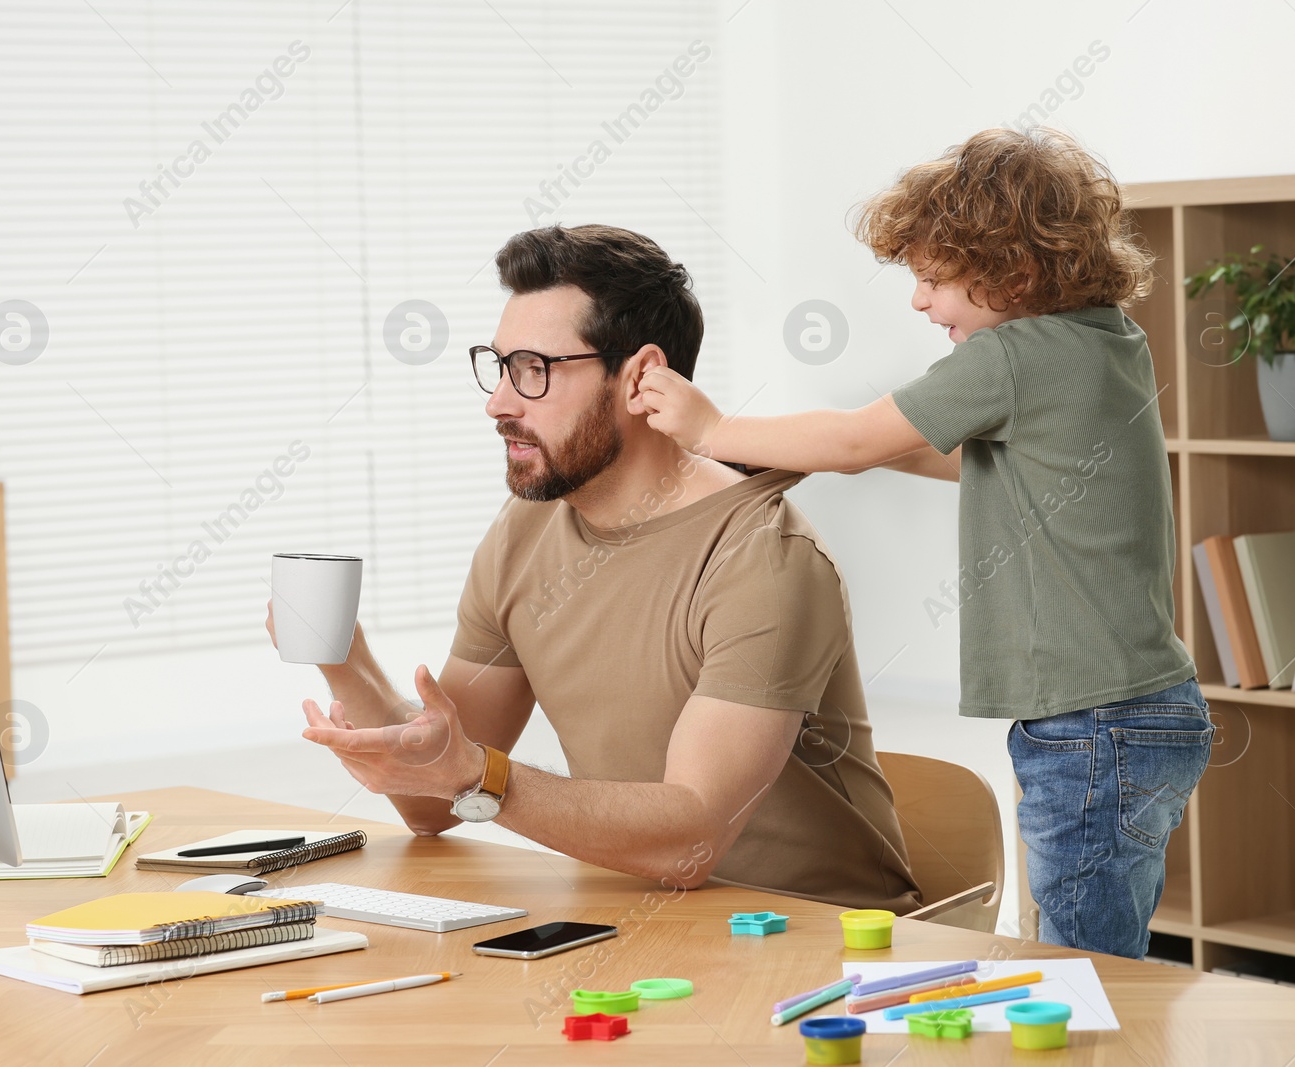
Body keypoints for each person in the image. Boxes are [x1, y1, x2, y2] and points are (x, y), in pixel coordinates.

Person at [638, 128, 1211, 959]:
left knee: (1081, 964)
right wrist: (814, 457)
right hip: (1148, 709)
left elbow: (857, 435)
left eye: (933, 278)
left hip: (1087, 725)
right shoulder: (1104, 338)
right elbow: (975, 464)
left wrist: (715, 425)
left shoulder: (1010, 356)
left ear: (1012, 273)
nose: (918, 301)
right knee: (1107, 945)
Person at [273, 223, 919, 912]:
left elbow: (688, 842)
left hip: (827, 944)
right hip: (640, 924)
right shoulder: (524, 529)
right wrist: (342, 655)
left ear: (639, 378)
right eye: (499, 367)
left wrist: (480, 776)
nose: (499, 403)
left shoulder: (765, 556)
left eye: (534, 369)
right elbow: (436, 799)